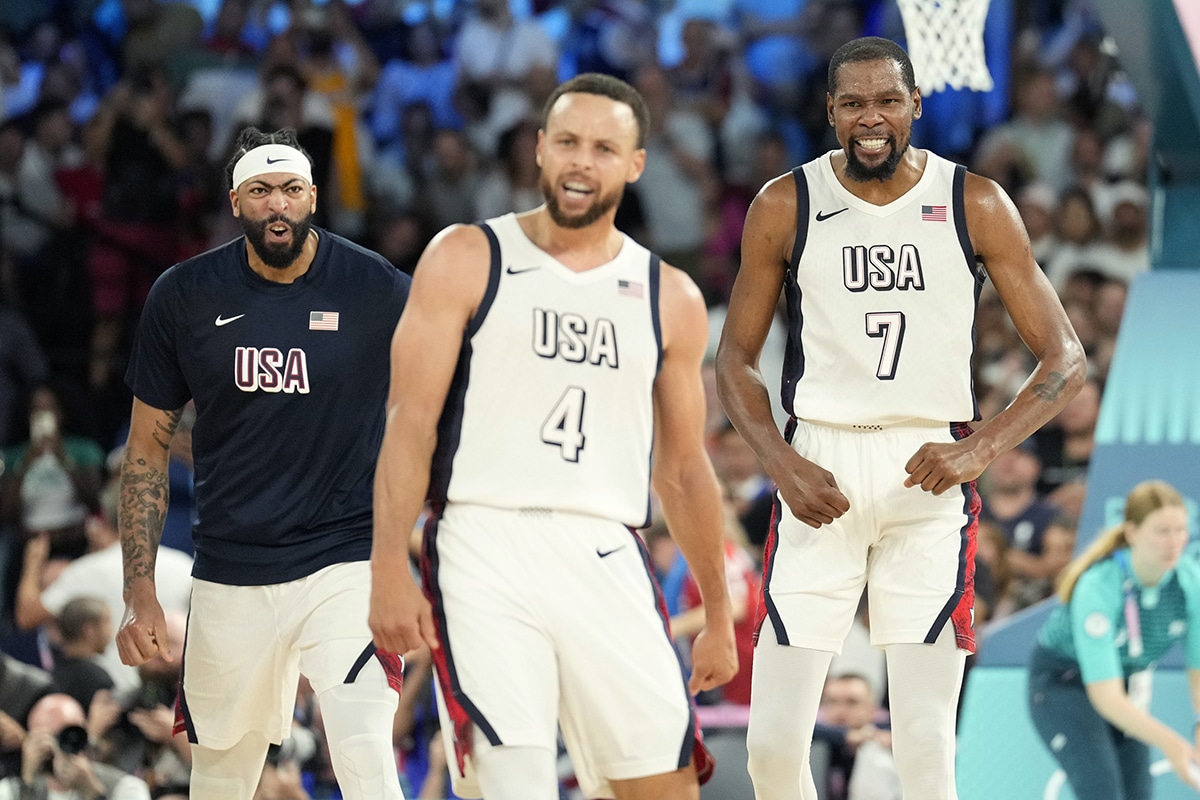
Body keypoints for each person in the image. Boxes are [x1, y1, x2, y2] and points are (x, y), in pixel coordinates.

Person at [715, 37, 1086, 800]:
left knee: (924, 746)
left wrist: (979, 448)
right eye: (853, 103)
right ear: (830, 113)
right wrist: (781, 465)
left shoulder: (973, 200)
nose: (871, 118)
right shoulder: (786, 202)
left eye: (887, 100)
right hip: (817, 469)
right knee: (773, 749)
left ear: (916, 104)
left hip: (930, 476)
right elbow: (736, 362)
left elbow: (1065, 359)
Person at [368, 73, 738, 800]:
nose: (582, 161)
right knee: (516, 782)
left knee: (665, 787)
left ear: (634, 165)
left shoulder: (671, 296)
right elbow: (407, 423)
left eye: (605, 148)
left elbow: (686, 469)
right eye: (567, 141)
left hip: (607, 548)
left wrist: (719, 613)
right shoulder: (465, 256)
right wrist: (387, 564)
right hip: (483, 542)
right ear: (538, 150)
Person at [115, 126, 410, 800]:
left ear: (313, 196)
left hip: (346, 557)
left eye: (291, 189)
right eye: (261, 191)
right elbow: (145, 452)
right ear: (236, 201)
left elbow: (449, 387)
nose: (277, 204)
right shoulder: (184, 294)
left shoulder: (373, 286)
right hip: (230, 564)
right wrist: (139, 590)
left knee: (366, 750)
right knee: (220, 777)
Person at [1028, 480, 1200, 799]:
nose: (1174, 542)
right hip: (1064, 683)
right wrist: (1174, 744)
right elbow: (1105, 695)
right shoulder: (1099, 586)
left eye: (1181, 530)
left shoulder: (1190, 583)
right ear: (1132, 532)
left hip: (1125, 684)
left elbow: (1198, 673)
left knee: (1138, 793)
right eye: (1162, 531)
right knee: (1101, 791)